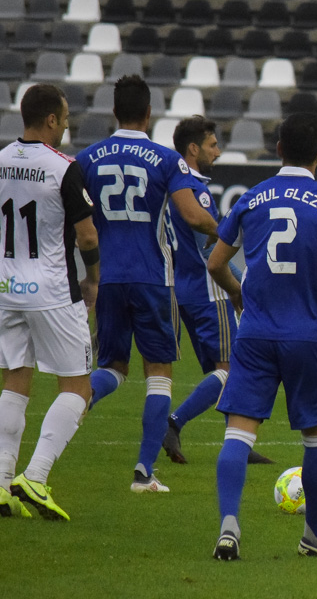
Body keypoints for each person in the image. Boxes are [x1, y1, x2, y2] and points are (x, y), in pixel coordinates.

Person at [206, 113, 317, 560]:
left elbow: (215, 262)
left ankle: (228, 527)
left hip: (255, 335)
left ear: (278, 149)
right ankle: (315, 535)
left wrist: (239, 295)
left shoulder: (251, 198)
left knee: (238, 435)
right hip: (308, 339)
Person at [75, 75, 219, 494]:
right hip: (154, 278)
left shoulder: (87, 158)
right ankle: (143, 471)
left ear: (114, 111)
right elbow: (193, 215)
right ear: (149, 113)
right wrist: (219, 230)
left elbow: (75, 222)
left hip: (110, 278)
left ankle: (80, 398)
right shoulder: (164, 159)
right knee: (159, 375)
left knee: (112, 368)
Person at [0, 84, 99, 520]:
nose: (67, 125)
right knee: (79, 386)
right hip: (53, 290)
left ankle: (2, 484)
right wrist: (93, 278)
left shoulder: (0, 159)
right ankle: (35, 477)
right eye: (65, 117)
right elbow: (87, 234)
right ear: (52, 120)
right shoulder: (63, 168)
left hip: (5, 288)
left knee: (14, 379)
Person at [160, 116, 271, 466]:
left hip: (183, 290)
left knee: (225, 368)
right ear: (193, 149)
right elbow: (212, 251)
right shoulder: (196, 191)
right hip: (210, 294)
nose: (218, 152)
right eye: (212, 145)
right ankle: (174, 422)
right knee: (233, 370)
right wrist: (239, 287)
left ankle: (237, 442)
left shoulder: (173, 189)